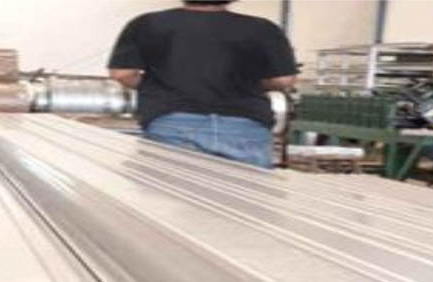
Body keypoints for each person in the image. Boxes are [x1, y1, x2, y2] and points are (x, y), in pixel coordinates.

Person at [108, 0, 297, 168]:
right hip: (244, 127)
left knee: (170, 194)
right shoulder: (263, 28)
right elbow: (284, 79)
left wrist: (156, 86)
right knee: (245, 195)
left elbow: (122, 74)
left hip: (172, 123)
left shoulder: (146, 24)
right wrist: (249, 84)